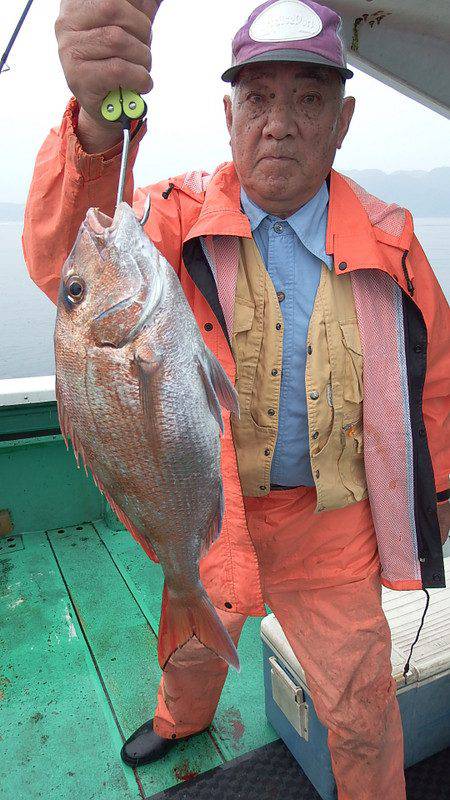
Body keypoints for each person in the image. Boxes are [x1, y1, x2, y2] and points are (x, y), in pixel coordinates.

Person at [23, 1, 450, 798]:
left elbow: (438, 382)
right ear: (228, 116)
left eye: (309, 99)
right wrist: (93, 124)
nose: (279, 124)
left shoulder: (394, 242)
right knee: (190, 636)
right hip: (211, 502)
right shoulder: (165, 220)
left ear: (344, 120)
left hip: (332, 524)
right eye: (257, 99)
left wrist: (444, 494)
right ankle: (180, 718)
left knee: (360, 703)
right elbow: (63, 268)